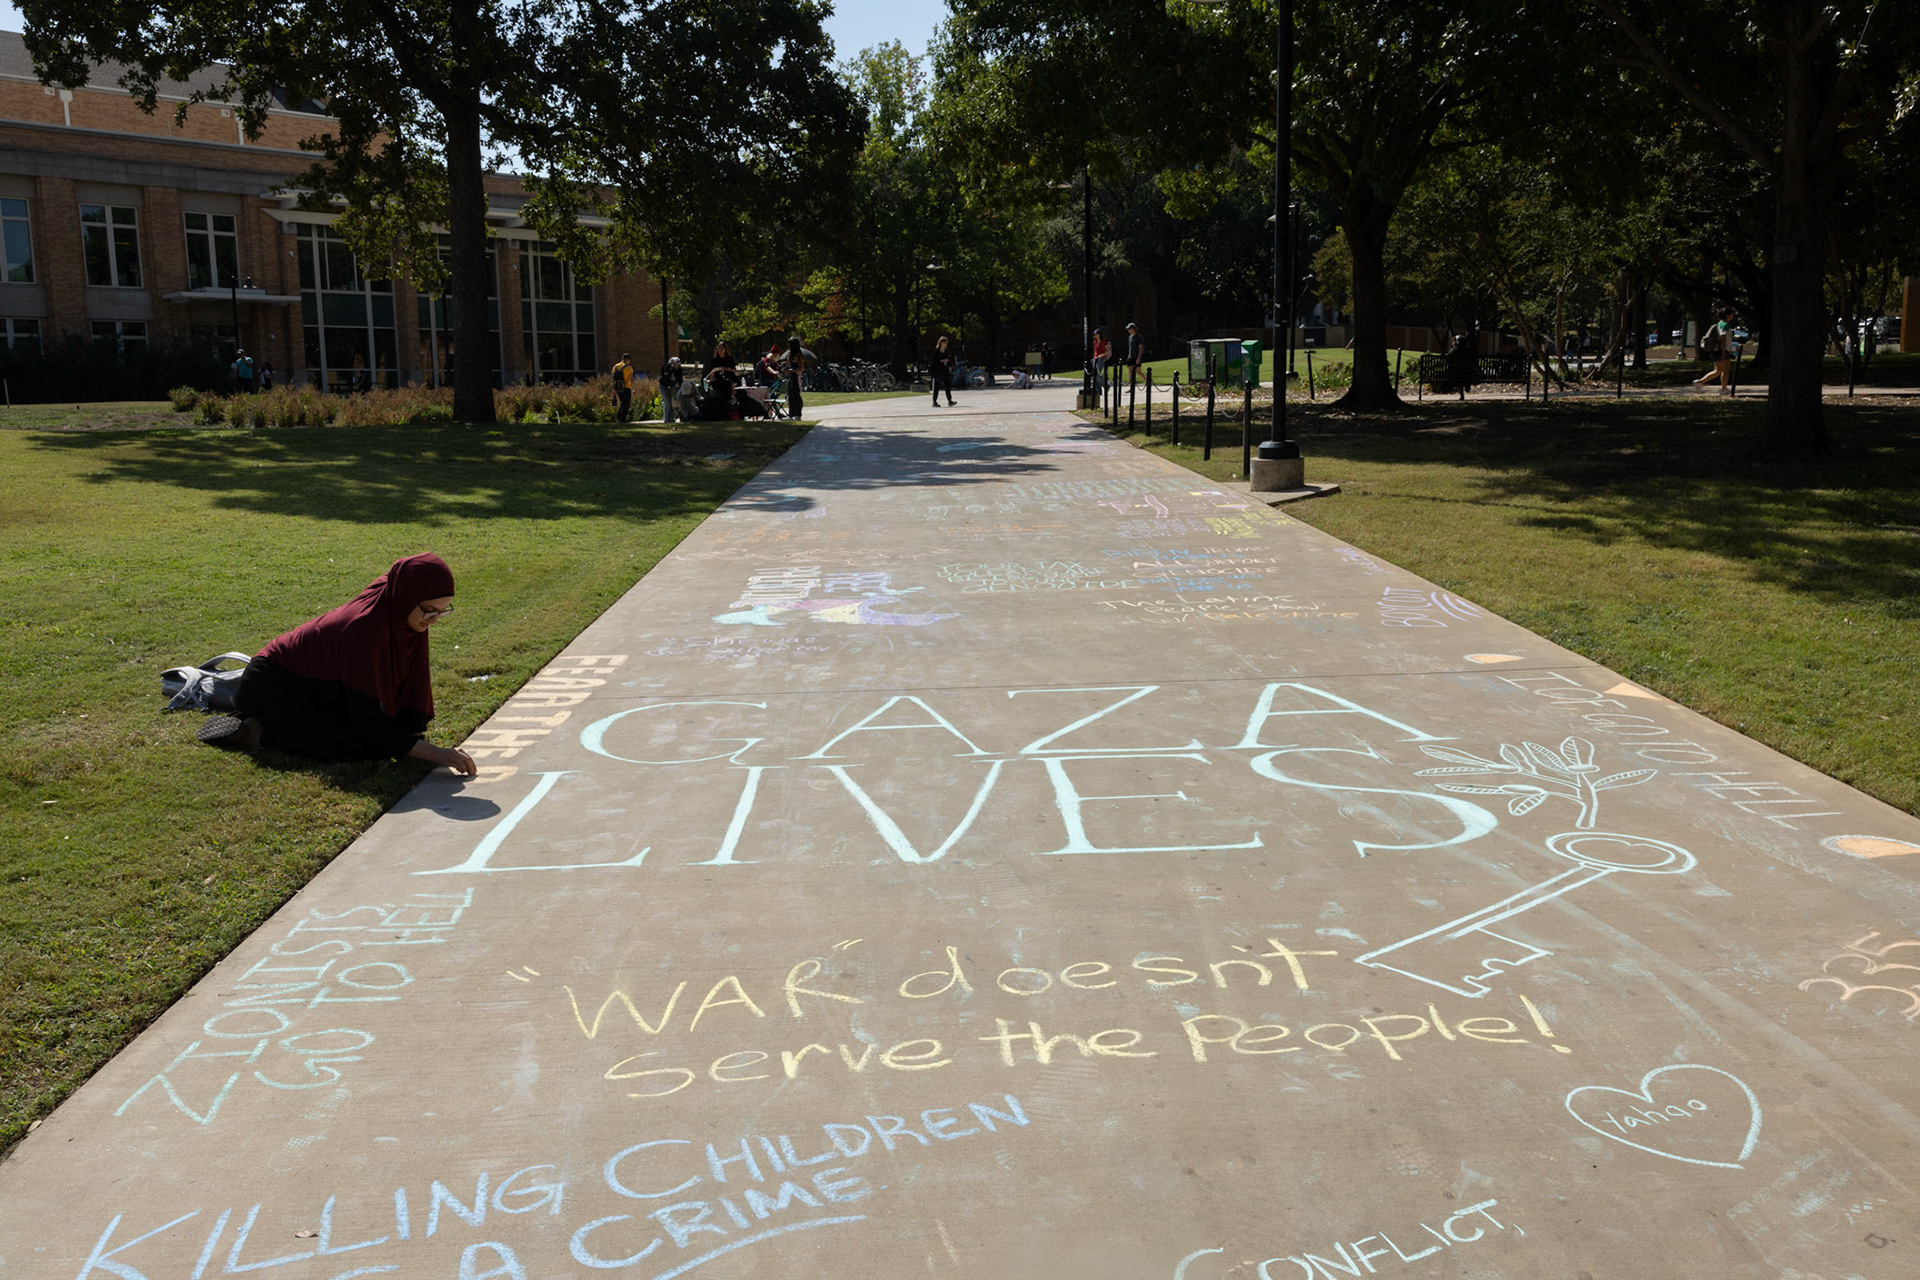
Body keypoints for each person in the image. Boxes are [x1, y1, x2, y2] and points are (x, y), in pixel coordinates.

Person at [199, 553, 477, 775]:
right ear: (407, 597)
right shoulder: (366, 628)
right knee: (361, 745)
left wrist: (415, 739)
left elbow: (412, 682)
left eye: (442, 611)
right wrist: (436, 754)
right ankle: (253, 732)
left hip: (323, 680)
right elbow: (367, 722)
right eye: (429, 610)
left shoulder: (403, 610)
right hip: (275, 682)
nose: (434, 619)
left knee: (389, 738)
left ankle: (269, 722)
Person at [1695, 308, 1735, 388]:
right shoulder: (1725, 325)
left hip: (1715, 350)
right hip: (1721, 350)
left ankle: (1700, 382)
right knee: (1725, 370)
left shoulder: (1719, 323)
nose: (1733, 315)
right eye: (1732, 314)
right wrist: (1724, 352)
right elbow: (1723, 338)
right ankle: (1724, 389)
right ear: (1728, 315)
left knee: (1717, 370)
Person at [930, 335, 956, 407]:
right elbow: (934, 361)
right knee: (936, 387)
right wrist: (942, 360)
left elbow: (949, 360)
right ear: (941, 342)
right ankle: (934, 401)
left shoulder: (946, 352)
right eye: (945, 343)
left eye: (946, 343)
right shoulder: (936, 351)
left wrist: (950, 365)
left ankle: (949, 400)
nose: (946, 344)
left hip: (945, 370)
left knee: (947, 385)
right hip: (938, 371)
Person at [784, 336, 806, 419]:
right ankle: (791, 413)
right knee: (791, 395)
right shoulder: (790, 355)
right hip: (791, 376)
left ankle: (798, 413)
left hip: (795, 376)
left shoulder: (798, 355)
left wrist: (791, 370)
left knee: (796, 395)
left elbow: (801, 368)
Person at [611, 351, 636, 422]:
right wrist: (634, 389)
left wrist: (613, 390)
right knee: (626, 404)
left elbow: (613, 379)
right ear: (628, 360)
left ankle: (619, 418)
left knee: (622, 403)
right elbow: (631, 379)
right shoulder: (628, 367)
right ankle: (622, 419)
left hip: (618, 388)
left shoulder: (615, 367)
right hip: (626, 387)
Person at [659, 356, 683, 423]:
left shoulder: (679, 370)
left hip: (672, 387)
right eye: (675, 365)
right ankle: (666, 420)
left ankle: (671, 419)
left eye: (678, 365)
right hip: (663, 386)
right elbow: (666, 378)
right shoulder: (666, 367)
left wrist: (679, 385)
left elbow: (680, 380)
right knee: (668, 403)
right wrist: (672, 368)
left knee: (673, 403)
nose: (677, 366)